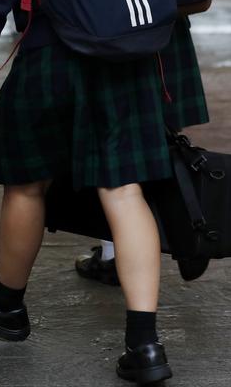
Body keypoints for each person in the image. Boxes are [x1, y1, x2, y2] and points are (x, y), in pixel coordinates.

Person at [0, 0, 175, 383]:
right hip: (127, 53)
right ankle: (145, 345)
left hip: (53, 51)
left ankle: (6, 304)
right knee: (125, 189)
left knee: (27, 183)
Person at [76, 16, 211, 285]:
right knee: (155, 130)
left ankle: (119, 251)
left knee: (110, 150)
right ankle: (184, 222)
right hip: (162, 18)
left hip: (106, 25)